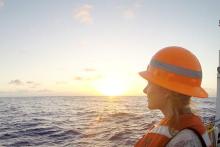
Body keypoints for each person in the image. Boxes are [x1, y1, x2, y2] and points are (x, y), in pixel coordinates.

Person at [135, 46, 212, 147]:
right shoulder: (177, 127)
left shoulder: (186, 140)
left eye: (149, 83)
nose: (145, 90)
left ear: (166, 90)